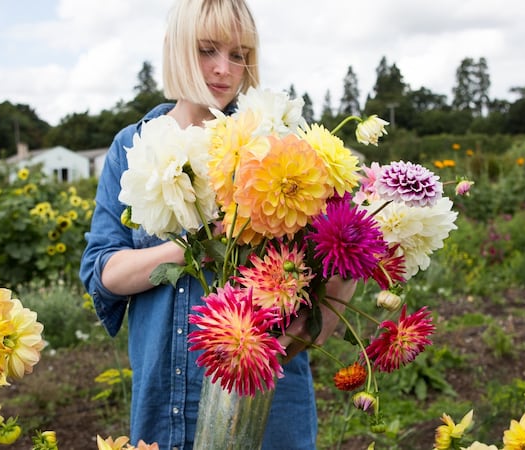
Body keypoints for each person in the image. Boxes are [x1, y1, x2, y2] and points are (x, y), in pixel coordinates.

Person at [79, 1, 355, 448]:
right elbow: (105, 273)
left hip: (265, 401)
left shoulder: (280, 149)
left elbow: (337, 261)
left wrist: (309, 328)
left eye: (239, 54)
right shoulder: (131, 145)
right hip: (167, 397)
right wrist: (198, 242)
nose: (223, 69)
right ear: (177, 50)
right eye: (207, 50)